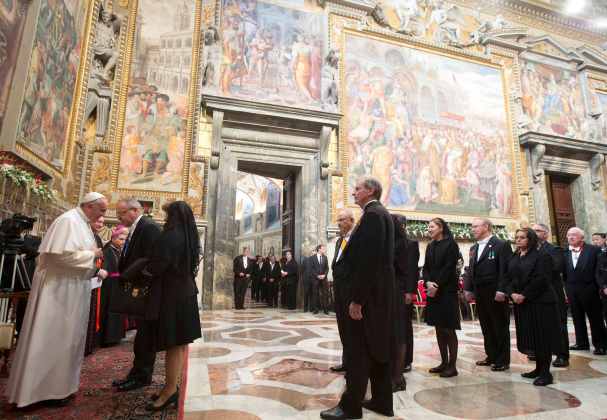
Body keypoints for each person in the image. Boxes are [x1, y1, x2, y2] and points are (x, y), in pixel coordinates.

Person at [6, 192, 108, 408]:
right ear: (90, 206)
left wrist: (91, 257)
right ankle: (39, 392)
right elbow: (57, 256)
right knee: (51, 338)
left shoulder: (81, 222)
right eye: (102, 209)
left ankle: (61, 388)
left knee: (67, 340)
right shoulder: (68, 221)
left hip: (71, 289)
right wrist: (93, 254)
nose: (103, 215)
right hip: (57, 292)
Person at [321, 177, 394, 420]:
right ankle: (383, 401)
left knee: (357, 351)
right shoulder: (381, 214)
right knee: (377, 348)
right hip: (378, 295)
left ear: (371, 190)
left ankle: (350, 407)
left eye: (357, 189)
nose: (354, 193)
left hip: (368, 297)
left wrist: (357, 300)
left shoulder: (373, 216)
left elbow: (368, 262)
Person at [144, 201, 202, 411]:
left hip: (173, 295)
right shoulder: (189, 237)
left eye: (168, 215)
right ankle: (171, 387)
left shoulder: (170, 236)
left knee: (174, 344)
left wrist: (144, 270)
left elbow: (157, 265)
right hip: (185, 293)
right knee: (178, 344)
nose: (165, 219)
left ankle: (169, 391)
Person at [112, 198, 162, 392]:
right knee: (142, 336)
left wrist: (134, 277)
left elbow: (151, 259)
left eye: (121, 213)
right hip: (138, 289)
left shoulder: (148, 227)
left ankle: (142, 375)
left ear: (133, 210)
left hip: (145, 292)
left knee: (145, 337)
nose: (118, 217)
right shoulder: (139, 226)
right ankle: (136, 373)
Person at [504, 228, 561, 386]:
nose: (518, 240)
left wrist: (524, 295)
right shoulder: (515, 255)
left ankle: (545, 373)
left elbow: (542, 279)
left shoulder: (542, 255)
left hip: (541, 302)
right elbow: (507, 277)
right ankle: (537, 369)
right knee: (532, 336)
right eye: (516, 237)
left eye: (522, 237)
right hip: (522, 302)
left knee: (542, 337)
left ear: (531, 239)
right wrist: (512, 293)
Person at [463, 218, 513, 371]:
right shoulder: (474, 247)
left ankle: (502, 359)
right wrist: (468, 288)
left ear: (486, 227)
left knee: (499, 325)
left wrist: (502, 290)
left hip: (495, 292)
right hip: (480, 292)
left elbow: (506, 270)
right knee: (486, 325)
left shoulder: (501, 245)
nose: (473, 229)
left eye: (476, 226)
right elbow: (471, 269)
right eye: (472, 226)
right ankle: (491, 355)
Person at [423, 217, 461, 378]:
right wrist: (427, 282)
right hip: (433, 291)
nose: (429, 229)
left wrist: (436, 284)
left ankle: (452, 366)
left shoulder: (451, 244)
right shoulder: (430, 246)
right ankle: (443, 362)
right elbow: (426, 268)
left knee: (448, 328)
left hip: (446, 292)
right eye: (428, 227)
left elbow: (449, 267)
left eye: (432, 226)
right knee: (438, 328)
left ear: (441, 228)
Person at [563, 227, 607, 355]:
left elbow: (599, 270)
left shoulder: (594, 250)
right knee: (577, 317)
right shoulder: (565, 252)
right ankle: (581, 343)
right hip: (572, 289)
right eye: (569, 235)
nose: (570, 237)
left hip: (590, 289)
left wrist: (600, 287)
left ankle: (601, 345)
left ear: (582, 237)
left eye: (574, 235)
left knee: (595, 318)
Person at [532, 223, 569, 367]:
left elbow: (555, 267)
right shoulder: (529, 251)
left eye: (538, 231)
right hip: (535, 294)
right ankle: (542, 352)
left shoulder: (555, 250)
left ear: (546, 234)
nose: (534, 233)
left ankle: (562, 355)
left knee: (559, 324)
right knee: (540, 325)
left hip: (552, 292)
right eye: (532, 230)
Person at [330, 209, 355, 374]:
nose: (338, 223)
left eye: (341, 220)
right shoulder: (340, 240)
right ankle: (346, 361)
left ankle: (354, 364)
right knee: (343, 328)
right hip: (339, 291)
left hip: (351, 291)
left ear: (351, 221)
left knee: (352, 330)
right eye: (337, 220)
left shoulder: (357, 239)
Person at [394, 216, 419, 374]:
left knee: (405, 327)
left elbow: (412, 270)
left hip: (404, 291)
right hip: (392, 291)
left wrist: (410, 291)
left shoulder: (411, 244)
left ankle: (406, 360)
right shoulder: (389, 243)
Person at [98, 225, 128, 347]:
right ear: (113, 238)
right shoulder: (107, 251)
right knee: (109, 311)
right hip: (109, 287)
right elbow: (106, 270)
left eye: (125, 239)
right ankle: (108, 338)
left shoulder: (118, 251)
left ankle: (116, 336)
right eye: (121, 239)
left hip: (117, 285)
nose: (123, 242)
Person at [85, 217, 106, 356]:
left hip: (95, 283)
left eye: (102, 223)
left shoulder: (97, 238)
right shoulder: (84, 236)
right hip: (84, 280)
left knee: (92, 313)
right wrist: (96, 270)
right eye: (97, 221)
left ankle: (89, 345)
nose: (100, 224)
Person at [310, 244, 330, 314]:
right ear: (319, 249)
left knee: (325, 294)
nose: (324, 250)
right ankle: (316, 309)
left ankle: (325, 309)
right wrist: (317, 276)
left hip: (324, 279)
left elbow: (327, 268)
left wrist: (324, 275)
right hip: (316, 279)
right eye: (323, 248)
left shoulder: (325, 257)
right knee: (315, 294)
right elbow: (311, 269)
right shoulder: (313, 258)